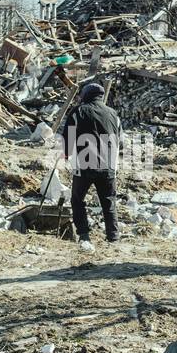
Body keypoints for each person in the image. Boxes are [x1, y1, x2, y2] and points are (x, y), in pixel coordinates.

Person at [59, 82, 122, 252]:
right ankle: (113, 236)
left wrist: (65, 153)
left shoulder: (78, 111)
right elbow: (119, 140)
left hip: (84, 165)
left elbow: (68, 137)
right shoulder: (113, 114)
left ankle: (84, 235)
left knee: (77, 200)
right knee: (108, 201)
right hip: (107, 166)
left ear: (85, 95)